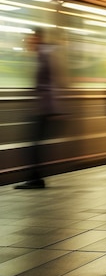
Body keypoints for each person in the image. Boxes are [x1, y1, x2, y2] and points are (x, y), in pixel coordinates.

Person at [15, 28, 55, 189]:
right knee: (34, 144)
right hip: (44, 107)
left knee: (33, 144)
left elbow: (47, 84)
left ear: (37, 38)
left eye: (30, 39)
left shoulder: (43, 55)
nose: (27, 42)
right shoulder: (42, 55)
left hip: (44, 108)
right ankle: (36, 177)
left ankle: (36, 179)